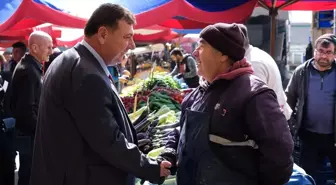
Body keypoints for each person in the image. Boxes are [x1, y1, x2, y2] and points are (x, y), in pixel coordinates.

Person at [30, 3, 171, 185]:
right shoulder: (86, 73)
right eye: (127, 37)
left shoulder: (75, 61)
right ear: (103, 34)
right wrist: (151, 168)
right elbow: (108, 140)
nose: (132, 45)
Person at [159, 23, 294, 185]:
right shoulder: (199, 92)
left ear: (223, 55)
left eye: (201, 46)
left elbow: (279, 153)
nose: (194, 53)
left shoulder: (254, 95)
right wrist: (169, 152)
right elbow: (184, 129)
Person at [285, 33, 336, 181]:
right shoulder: (301, 72)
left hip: (333, 137)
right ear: (314, 51)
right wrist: (290, 125)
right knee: (307, 176)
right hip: (308, 136)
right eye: (320, 51)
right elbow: (289, 98)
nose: (323, 56)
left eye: (328, 52)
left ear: (334, 54)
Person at [7, 31, 53, 185]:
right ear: (34, 47)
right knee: (29, 175)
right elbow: (26, 112)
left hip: (29, 134)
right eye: (48, 47)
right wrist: (42, 132)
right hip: (29, 136)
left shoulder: (31, 67)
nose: (51, 51)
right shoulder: (28, 70)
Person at [238, 24, 292, 121]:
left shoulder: (253, 64)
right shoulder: (255, 53)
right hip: (276, 117)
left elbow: (256, 104)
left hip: (273, 122)